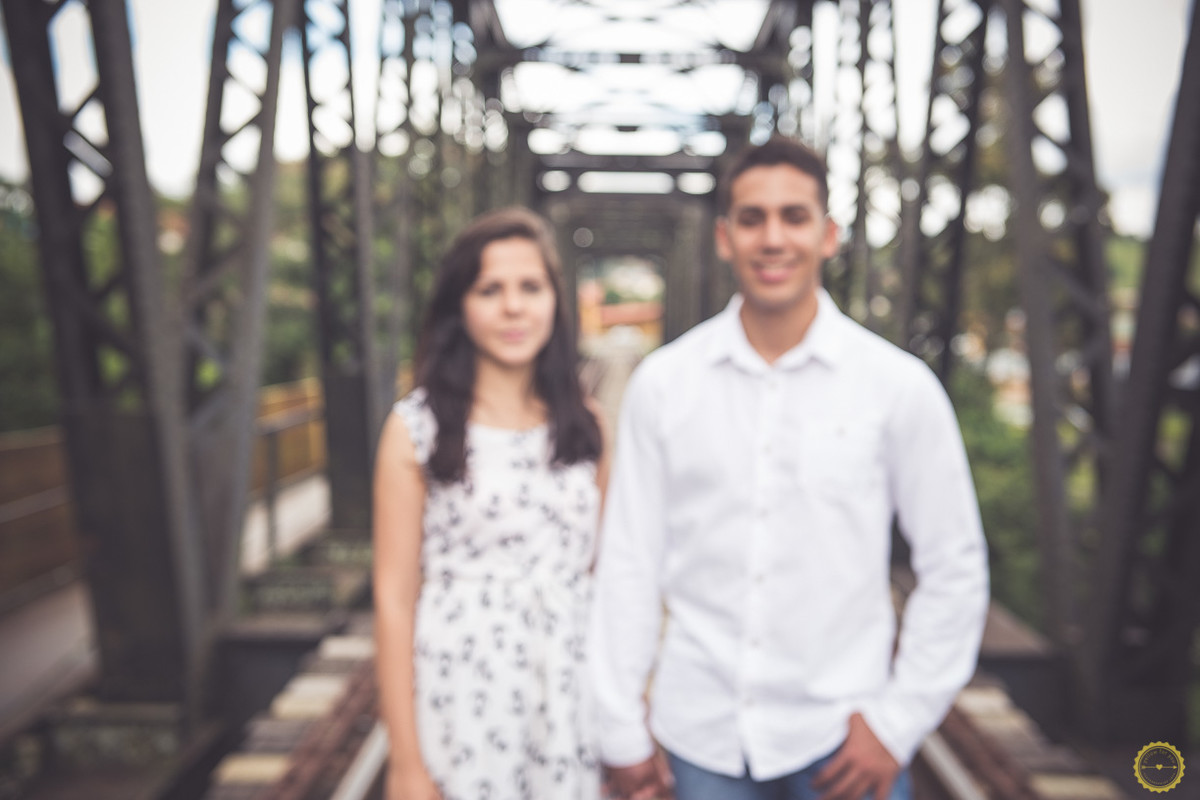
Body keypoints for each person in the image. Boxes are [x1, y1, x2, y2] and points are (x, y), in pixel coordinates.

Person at [589, 137, 990, 800]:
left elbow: (955, 566)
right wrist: (620, 728)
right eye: (752, 219)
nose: (773, 238)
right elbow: (629, 562)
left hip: (841, 737)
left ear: (828, 234)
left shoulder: (898, 388)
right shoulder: (664, 385)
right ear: (724, 237)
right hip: (701, 737)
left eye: (794, 217)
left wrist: (897, 725)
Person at [373, 206, 608, 800]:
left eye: (530, 287)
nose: (513, 307)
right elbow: (394, 599)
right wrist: (405, 762)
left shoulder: (588, 426)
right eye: (489, 290)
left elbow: (609, 576)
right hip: (464, 696)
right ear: (460, 306)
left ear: (555, 301)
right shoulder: (415, 429)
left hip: (568, 691)